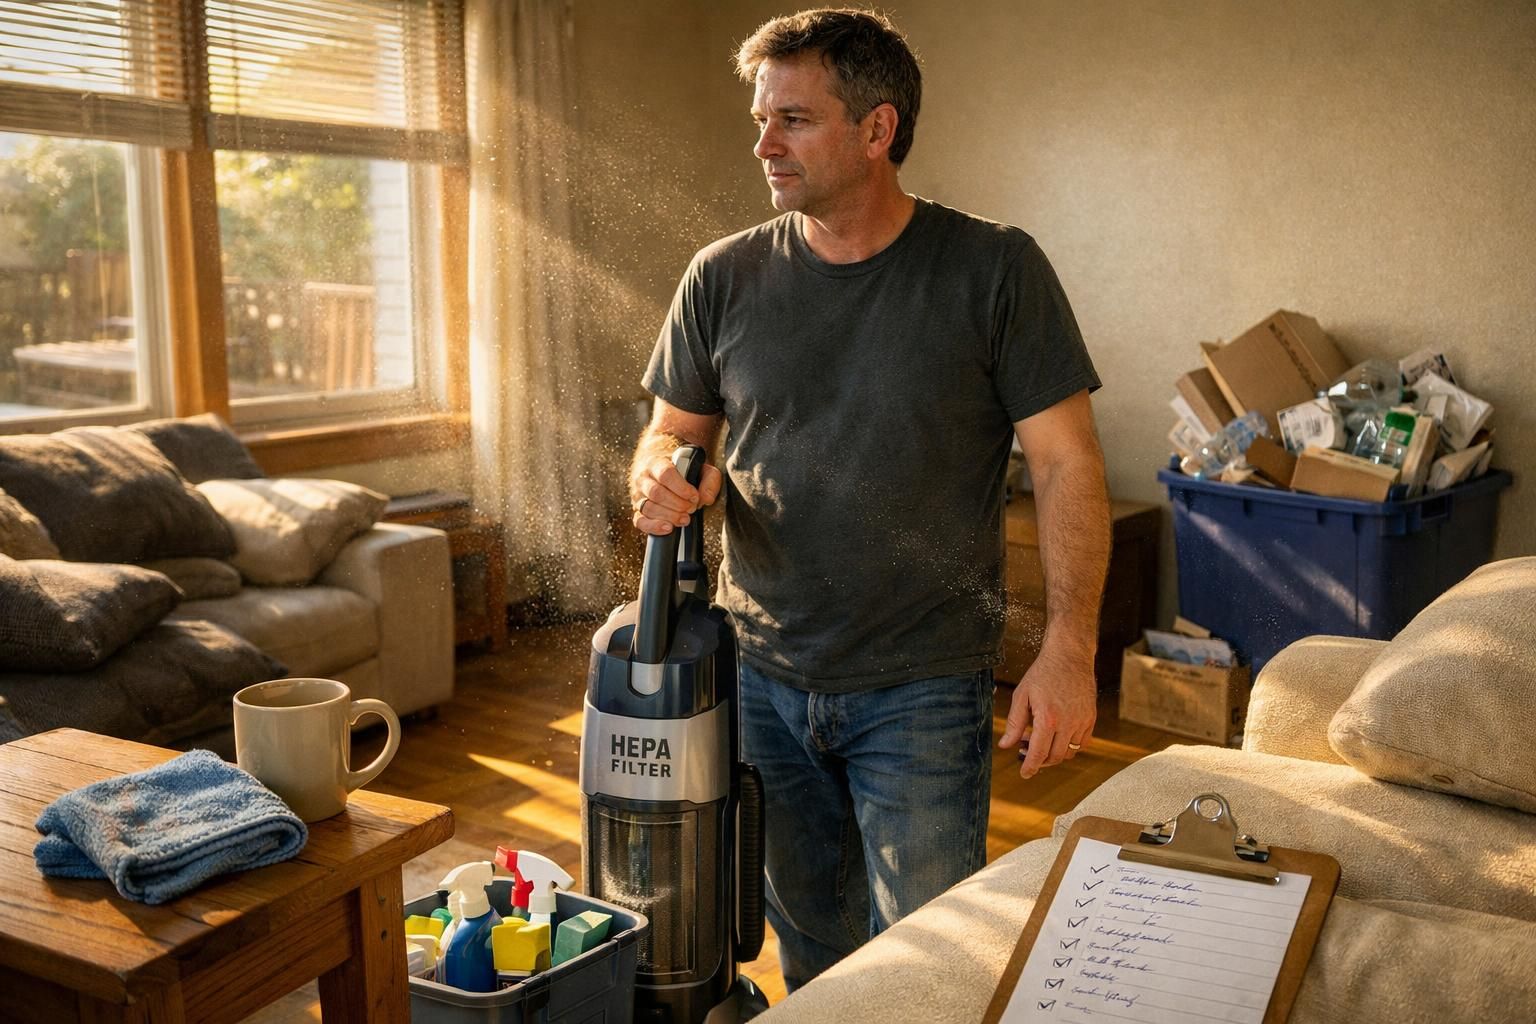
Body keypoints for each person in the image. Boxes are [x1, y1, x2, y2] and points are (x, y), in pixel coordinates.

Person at [627, 8, 1110, 991]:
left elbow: (1066, 464)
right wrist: (658, 473)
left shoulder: (994, 269)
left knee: (930, 966)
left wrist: (1068, 649)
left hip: (922, 683)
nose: (764, 143)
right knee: (815, 959)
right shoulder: (721, 277)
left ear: (878, 128)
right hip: (760, 673)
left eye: (794, 120)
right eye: (762, 117)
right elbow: (670, 433)